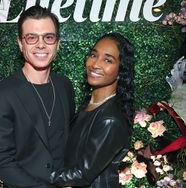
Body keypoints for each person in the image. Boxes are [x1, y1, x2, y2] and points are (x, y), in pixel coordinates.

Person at [0, 5, 75, 188]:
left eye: (48, 37)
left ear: (57, 43)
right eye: (31, 37)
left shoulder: (64, 85)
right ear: (20, 43)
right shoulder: (2, 94)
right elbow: (1, 162)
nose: (41, 44)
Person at [50, 32, 135, 188]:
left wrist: (39, 173)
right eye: (93, 55)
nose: (95, 64)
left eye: (108, 60)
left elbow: (82, 174)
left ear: (121, 71)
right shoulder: (89, 106)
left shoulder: (110, 119)